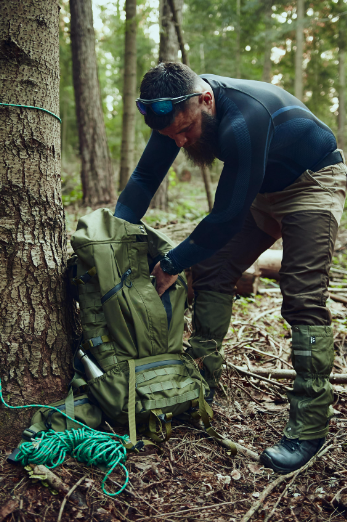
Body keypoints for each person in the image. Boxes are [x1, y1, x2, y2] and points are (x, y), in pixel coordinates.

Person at [114, 62, 347, 474]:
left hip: (313, 182)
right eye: (172, 136)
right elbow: (146, 175)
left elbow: (224, 217)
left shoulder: (243, 120)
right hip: (262, 187)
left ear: (206, 101)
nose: (181, 141)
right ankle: (203, 378)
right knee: (213, 268)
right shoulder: (176, 113)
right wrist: (113, 234)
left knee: (303, 295)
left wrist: (171, 263)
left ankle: (309, 427)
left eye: (187, 131)